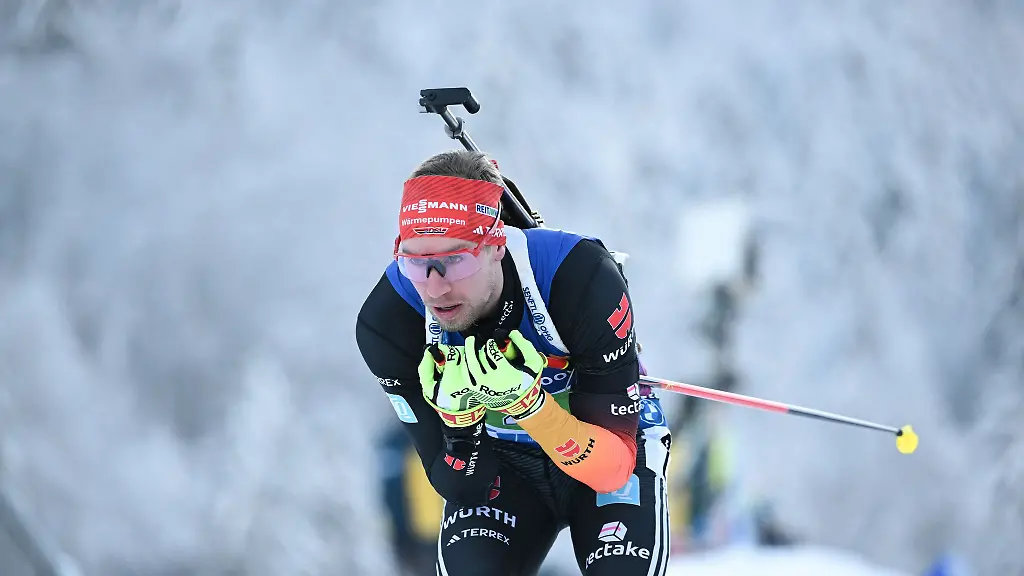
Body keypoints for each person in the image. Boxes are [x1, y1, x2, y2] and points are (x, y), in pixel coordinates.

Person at [355, 149, 672, 576]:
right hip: (502, 459)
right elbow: (458, 484)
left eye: (454, 260)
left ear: (495, 245)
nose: (434, 287)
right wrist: (458, 424)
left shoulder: (578, 278)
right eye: (415, 262)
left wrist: (529, 406)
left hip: (607, 446)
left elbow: (613, 470)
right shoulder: (388, 323)